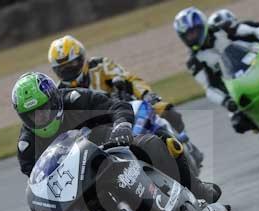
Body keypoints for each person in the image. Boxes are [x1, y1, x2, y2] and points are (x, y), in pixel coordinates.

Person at [13, 72, 220, 211]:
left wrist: (122, 125)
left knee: (158, 144)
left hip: (110, 148)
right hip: (78, 183)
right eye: (31, 115)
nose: (39, 118)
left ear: (55, 100)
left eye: (43, 109)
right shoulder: (26, 146)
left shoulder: (75, 98)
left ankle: (197, 190)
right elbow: (38, 179)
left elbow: (115, 105)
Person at [173, 7, 259, 134]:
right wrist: (226, 101)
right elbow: (209, 88)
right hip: (236, 86)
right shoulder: (194, 61)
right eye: (187, 35)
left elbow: (255, 31)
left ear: (203, 25)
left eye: (194, 32)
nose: (192, 37)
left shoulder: (224, 28)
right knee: (239, 123)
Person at [47, 35, 190, 141]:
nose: (69, 70)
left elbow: (128, 79)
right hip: (98, 131)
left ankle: (180, 143)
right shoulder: (60, 93)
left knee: (165, 110)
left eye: (72, 64)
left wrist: (146, 94)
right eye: (62, 68)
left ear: (82, 58)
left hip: (127, 109)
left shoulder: (100, 65)